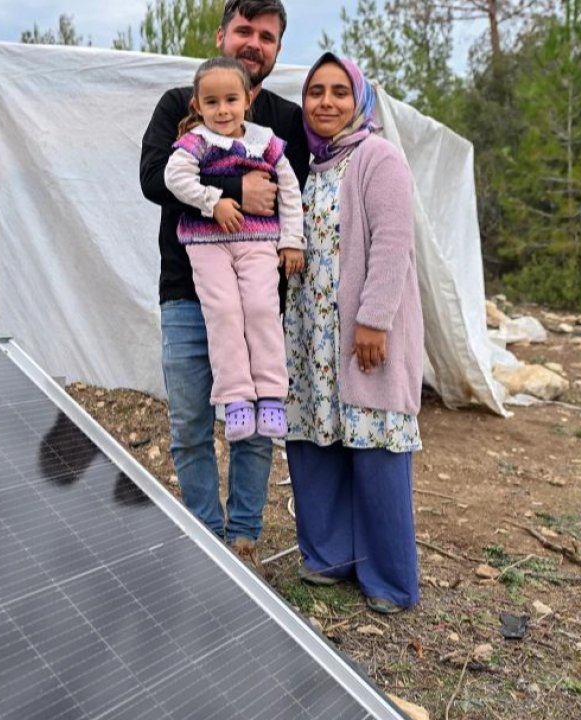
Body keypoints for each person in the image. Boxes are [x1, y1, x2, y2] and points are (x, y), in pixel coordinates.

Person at [140, 0, 307, 563]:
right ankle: (203, 538)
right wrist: (234, 197)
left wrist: (290, 240)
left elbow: (296, 195)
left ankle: (244, 536)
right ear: (222, 34)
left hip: (259, 290)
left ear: (277, 49)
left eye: (266, 35)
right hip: (189, 291)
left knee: (257, 424)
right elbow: (152, 179)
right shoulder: (178, 106)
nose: (254, 42)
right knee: (189, 423)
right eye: (244, 30)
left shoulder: (286, 121)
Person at [284, 53, 424, 614]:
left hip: (363, 337)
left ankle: (390, 581)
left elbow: (394, 244)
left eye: (339, 91)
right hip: (314, 337)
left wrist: (374, 319)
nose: (326, 102)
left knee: (376, 450)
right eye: (315, 92)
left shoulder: (377, 157)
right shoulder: (313, 167)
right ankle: (328, 556)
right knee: (317, 443)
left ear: (359, 100)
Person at [163, 57, 304, 445]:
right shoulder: (195, 142)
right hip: (207, 245)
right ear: (197, 106)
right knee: (223, 312)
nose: (222, 110)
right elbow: (173, 178)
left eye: (230, 100)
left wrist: (292, 239)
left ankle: (272, 393)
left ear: (247, 100)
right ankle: (236, 397)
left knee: (261, 307)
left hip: (258, 240)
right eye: (211, 102)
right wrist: (214, 201)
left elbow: (289, 190)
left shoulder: (266, 141)